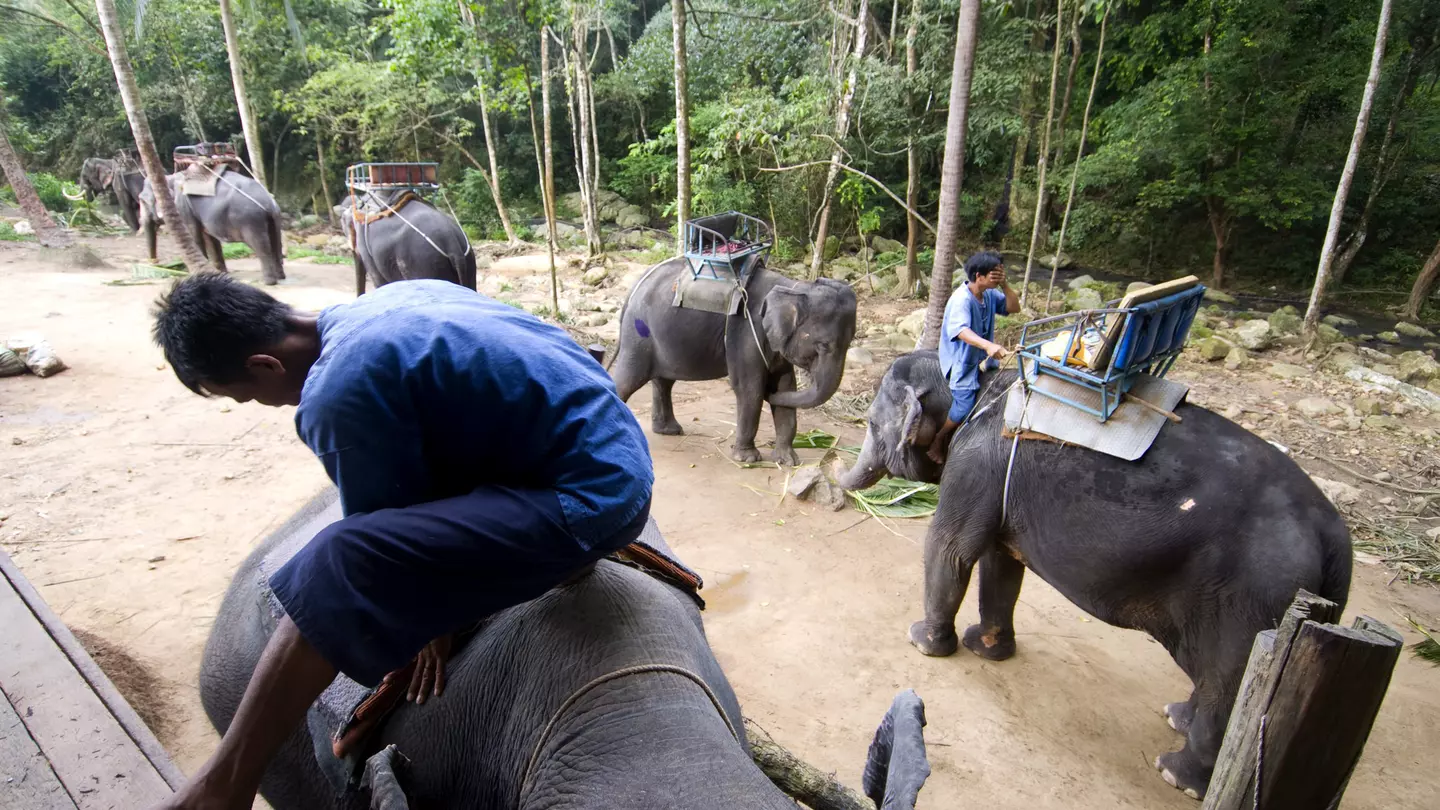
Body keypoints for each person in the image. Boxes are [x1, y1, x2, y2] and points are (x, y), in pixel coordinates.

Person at [150, 274, 653, 809]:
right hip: (609, 447)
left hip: (590, 500)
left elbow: (375, 557)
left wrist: (432, 615)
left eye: (251, 397)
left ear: (264, 365)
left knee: (338, 562)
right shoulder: (395, 297)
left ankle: (226, 781)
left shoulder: (335, 393)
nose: (265, 405)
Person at [927, 251, 1019, 464]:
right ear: (979, 276)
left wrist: (1005, 285)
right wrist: (988, 345)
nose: (997, 278)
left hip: (978, 358)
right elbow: (961, 331)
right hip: (961, 361)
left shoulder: (988, 294)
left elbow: (1014, 307)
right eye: (994, 275)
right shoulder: (962, 300)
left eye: (999, 274)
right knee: (964, 405)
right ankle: (938, 439)